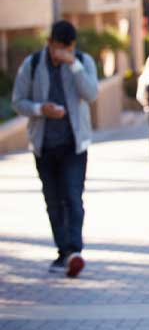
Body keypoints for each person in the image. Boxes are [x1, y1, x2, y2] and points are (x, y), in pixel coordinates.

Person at [11, 20, 98, 277]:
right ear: (50, 44)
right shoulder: (33, 64)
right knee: (53, 201)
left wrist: (75, 65)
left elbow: (92, 94)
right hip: (44, 145)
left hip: (74, 144)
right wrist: (40, 109)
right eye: (59, 47)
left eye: (68, 48)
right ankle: (63, 252)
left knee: (72, 197)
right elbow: (18, 101)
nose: (62, 52)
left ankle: (74, 251)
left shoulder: (82, 62)